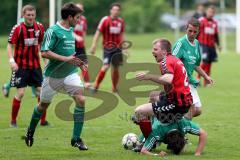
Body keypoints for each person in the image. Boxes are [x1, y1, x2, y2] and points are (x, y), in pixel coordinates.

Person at [24, 3, 88, 150]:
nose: (79, 20)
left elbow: (69, 55)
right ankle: (30, 130)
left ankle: (76, 138)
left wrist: (78, 63)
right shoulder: (53, 31)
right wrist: (66, 59)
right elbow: (44, 52)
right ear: (70, 17)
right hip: (52, 76)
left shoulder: (71, 30)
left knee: (81, 99)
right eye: (77, 17)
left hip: (70, 74)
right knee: (43, 106)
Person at [6, 4, 49, 127]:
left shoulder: (39, 27)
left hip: (35, 66)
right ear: (23, 15)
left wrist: (45, 61)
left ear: (35, 15)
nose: (30, 17)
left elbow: (42, 44)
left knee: (42, 93)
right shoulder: (18, 28)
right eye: (28, 15)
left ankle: (43, 121)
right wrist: (11, 61)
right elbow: (9, 45)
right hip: (21, 67)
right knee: (20, 93)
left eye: (32, 15)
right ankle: (13, 121)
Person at [134, 38, 193, 125]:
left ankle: (149, 136)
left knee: (139, 111)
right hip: (184, 100)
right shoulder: (173, 59)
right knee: (153, 96)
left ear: (164, 52)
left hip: (177, 104)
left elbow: (168, 79)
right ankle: (152, 123)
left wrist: (148, 76)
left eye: (155, 49)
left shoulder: (166, 61)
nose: (152, 52)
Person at [172, 18, 213, 119]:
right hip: (180, 82)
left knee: (197, 110)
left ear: (198, 32)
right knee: (192, 109)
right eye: (190, 31)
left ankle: (176, 124)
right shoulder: (181, 43)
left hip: (189, 80)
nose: (192, 33)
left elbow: (196, 65)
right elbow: (171, 62)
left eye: (195, 32)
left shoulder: (197, 44)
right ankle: (180, 131)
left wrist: (205, 76)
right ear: (186, 29)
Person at [90, 2, 125, 93]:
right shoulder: (105, 20)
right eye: (114, 9)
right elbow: (98, 33)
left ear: (119, 11)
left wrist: (124, 47)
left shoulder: (121, 21)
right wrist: (94, 45)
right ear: (111, 10)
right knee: (105, 66)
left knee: (116, 68)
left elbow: (122, 35)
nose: (116, 11)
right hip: (107, 48)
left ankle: (114, 88)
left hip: (117, 49)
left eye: (117, 10)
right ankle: (96, 85)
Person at [133, 117, 207, 157]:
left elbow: (203, 134)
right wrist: (157, 155)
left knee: (181, 150)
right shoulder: (157, 131)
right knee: (141, 147)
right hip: (154, 118)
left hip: (171, 115)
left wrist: (198, 153)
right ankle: (141, 118)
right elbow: (143, 151)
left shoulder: (183, 124)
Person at [197, 5, 221, 87]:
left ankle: (206, 82)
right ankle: (197, 78)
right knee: (205, 61)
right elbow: (196, 32)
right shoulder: (201, 21)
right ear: (206, 12)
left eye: (213, 12)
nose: (211, 14)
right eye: (210, 12)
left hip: (211, 46)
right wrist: (193, 42)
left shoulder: (215, 23)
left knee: (209, 63)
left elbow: (216, 35)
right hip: (203, 45)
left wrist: (218, 45)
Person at [74, 3, 91, 88]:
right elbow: (69, 30)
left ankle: (87, 82)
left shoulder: (83, 19)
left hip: (81, 46)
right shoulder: (71, 18)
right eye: (77, 8)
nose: (79, 10)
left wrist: (83, 41)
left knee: (85, 64)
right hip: (72, 46)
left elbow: (84, 31)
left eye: (81, 9)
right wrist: (76, 37)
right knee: (71, 65)